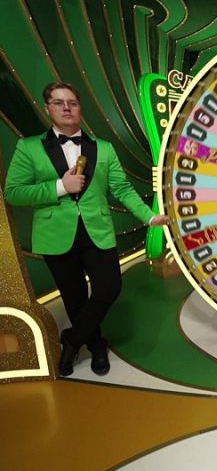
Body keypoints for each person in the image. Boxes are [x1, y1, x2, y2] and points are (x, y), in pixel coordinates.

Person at [4, 82, 169, 377]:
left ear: (80, 108)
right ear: (48, 108)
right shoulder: (29, 147)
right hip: (55, 235)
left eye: (72, 102)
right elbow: (14, 192)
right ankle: (95, 346)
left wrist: (149, 216)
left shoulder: (103, 148)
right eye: (58, 102)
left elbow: (121, 188)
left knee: (109, 287)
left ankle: (71, 339)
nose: (66, 108)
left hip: (98, 231)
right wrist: (60, 186)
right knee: (75, 297)